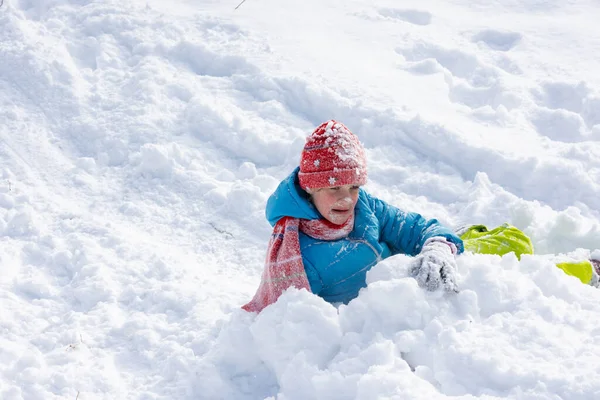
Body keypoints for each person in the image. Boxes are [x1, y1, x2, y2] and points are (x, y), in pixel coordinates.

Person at [243, 120, 464, 313]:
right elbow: (288, 324)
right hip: (368, 333)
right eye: (335, 188)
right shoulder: (298, 255)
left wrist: (438, 246)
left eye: (354, 186)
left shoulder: (365, 206)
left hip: (412, 300)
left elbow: (415, 228)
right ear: (311, 189)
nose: (347, 199)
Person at [457, 223, 600, 287]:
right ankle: (587, 273)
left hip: (450, 253)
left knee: (517, 246)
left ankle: (587, 273)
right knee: (518, 247)